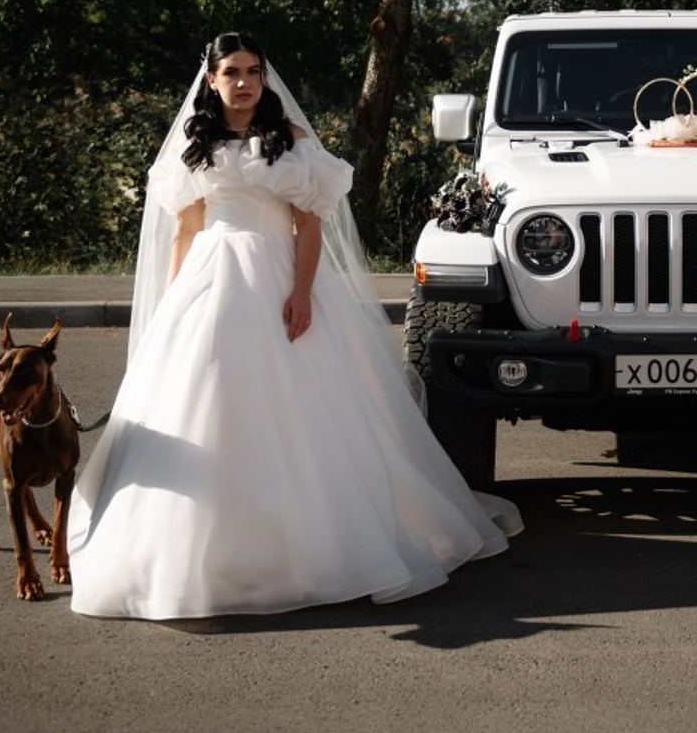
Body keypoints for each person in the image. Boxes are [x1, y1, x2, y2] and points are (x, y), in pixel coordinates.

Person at [69, 32, 521, 619]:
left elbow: (309, 228)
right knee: (204, 396)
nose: (244, 81)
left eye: (253, 71)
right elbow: (185, 230)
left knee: (306, 404)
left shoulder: (292, 140)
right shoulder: (193, 142)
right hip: (208, 279)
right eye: (231, 72)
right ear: (211, 81)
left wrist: (302, 293)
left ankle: (316, 542)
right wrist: (171, 303)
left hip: (278, 273)